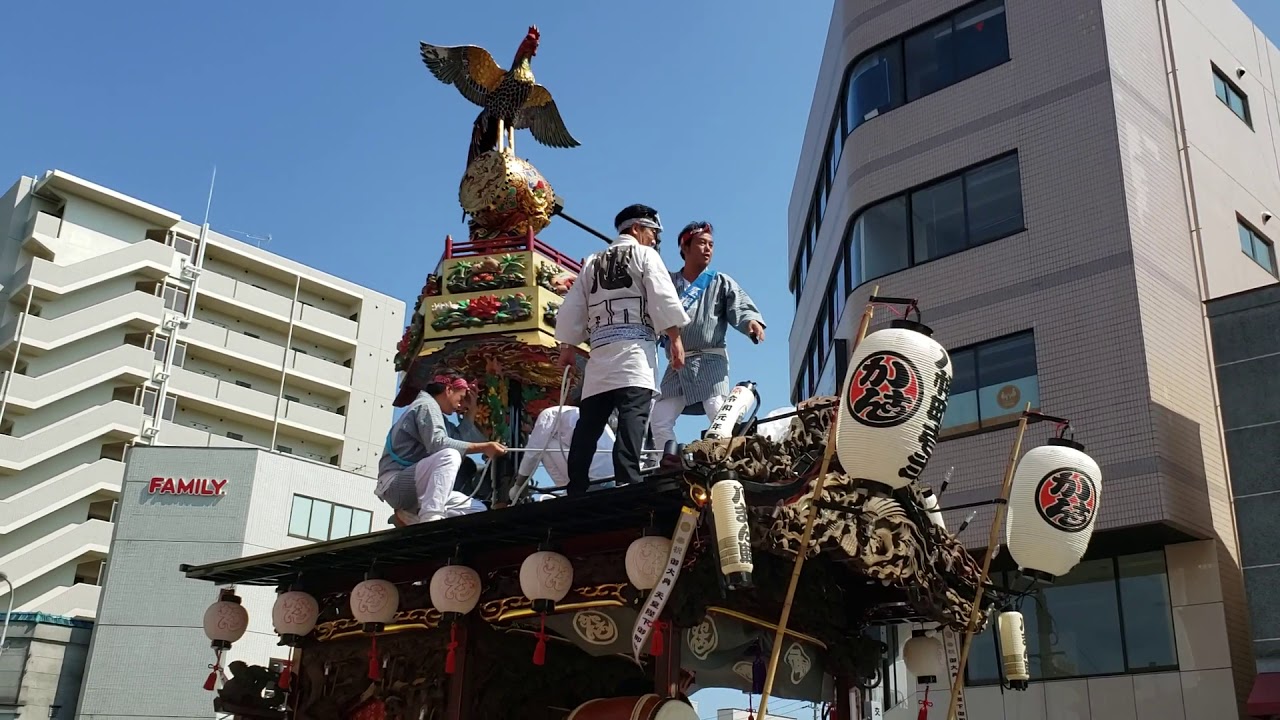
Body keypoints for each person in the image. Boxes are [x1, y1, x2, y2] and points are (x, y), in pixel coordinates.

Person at [555, 203, 690, 495]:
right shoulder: (644, 255)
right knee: (632, 417)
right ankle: (627, 478)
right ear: (636, 229)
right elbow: (662, 295)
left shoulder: (593, 261)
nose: (654, 239)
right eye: (652, 232)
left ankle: (575, 484)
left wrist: (567, 345)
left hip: (600, 355)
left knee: (589, 423)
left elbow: (575, 305)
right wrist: (675, 338)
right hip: (634, 352)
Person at [650, 221, 766, 452]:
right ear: (685, 247)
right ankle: (668, 460)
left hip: (711, 360)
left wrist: (750, 322)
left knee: (718, 411)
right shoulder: (668, 283)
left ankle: (725, 458)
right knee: (659, 418)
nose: (708, 249)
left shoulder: (720, 281)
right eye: (702, 243)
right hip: (678, 363)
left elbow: (740, 307)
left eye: (711, 245)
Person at [376, 371, 508, 523]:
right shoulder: (426, 405)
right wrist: (483, 447)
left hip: (418, 488)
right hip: (395, 483)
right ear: (448, 389)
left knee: (476, 510)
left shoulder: (438, 416)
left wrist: (471, 412)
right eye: (462, 397)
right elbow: (439, 444)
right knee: (450, 456)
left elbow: (457, 441)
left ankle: (414, 514)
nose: (461, 404)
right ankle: (430, 519)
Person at [511, 406, 616, 498]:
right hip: (611, 475)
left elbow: (533, 452)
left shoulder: (548, 414)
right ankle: (567, 489)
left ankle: (567, 490)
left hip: (593, 477)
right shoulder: (574, 413)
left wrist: (518, 486)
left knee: (543, 445)